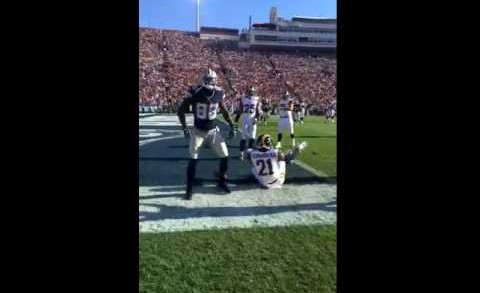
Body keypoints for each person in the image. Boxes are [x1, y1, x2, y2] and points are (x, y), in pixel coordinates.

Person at [177, 68, 236, 200]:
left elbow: (224, 110)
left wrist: (232, 125)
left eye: (212, 79)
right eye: (208, 80)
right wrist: (186, 127)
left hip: (213, 131)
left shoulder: (219, 92)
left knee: (225, 156)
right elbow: (181, 111)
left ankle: (221, 181)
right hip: (198, 131)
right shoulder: (195, 93)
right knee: (193, 160)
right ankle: (189, 189)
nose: (210, 82)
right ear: (203, 80)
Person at [235, 86, 261, 160]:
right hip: (249, 119)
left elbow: (240, 109)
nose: (251, 93)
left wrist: (237, 117)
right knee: (249, 137)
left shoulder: (244, 98)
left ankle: (243, 153)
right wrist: (257, 117)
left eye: (251, 91)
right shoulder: (256, 99)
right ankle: (245, 153)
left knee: (248, 137)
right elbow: (258, 110)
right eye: (251, 91)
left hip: (248, 119)